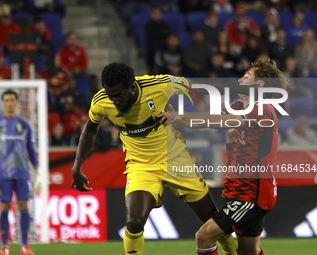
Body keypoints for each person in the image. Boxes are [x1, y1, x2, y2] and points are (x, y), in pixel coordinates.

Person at [71, 62, 237, 255]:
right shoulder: (101, 101)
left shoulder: (160, 86)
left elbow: (197, 87)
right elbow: (90, 128)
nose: (114, 100)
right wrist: (77, 166)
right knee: (134, 222)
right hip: (141, 166)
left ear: (132, 87)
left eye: (118, 95)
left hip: (176, 160)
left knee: (212, 219)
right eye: (111, 95)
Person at [158, 58, 288, 255]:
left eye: (247, 76)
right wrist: (178, 114)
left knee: (204, 236)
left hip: (252, 192)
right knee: (248, 252)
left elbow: (218, 121)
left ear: (260, 84)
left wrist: (180, 117)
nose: (240, 79)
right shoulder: (237, 106)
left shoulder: (262, 107)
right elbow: (208, 120)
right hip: (241, 189)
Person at [0, 90, 42, 255]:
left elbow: (31, 149)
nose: (9, 103)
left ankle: (24, 245)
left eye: (12, 100)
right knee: (5, 206)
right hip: (3, 174)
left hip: (23, 173)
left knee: (23, 205)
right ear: (2, 103)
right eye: (7, 100)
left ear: (17, 103)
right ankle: (4, 246)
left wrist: (38, 171)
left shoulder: (25, 125)